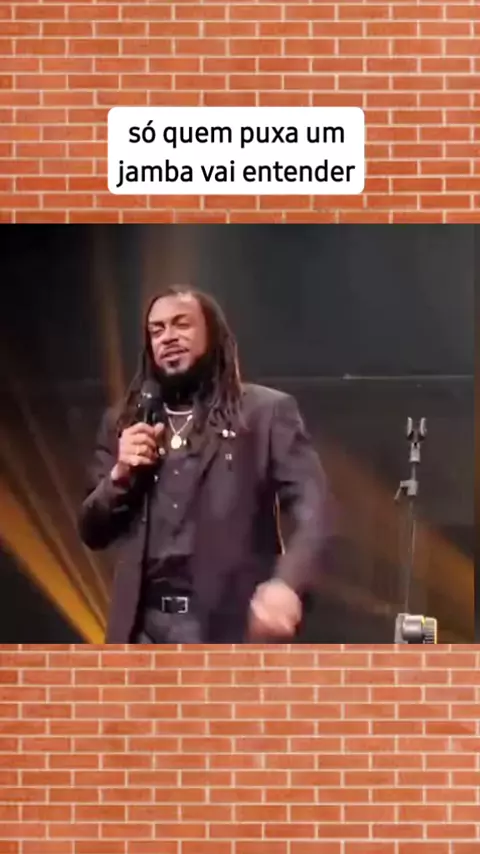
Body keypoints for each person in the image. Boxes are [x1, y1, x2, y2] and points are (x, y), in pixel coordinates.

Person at [78, 286, 327, 643]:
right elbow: (92, 531)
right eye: (157, 330)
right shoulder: (125, 422)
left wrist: (287, 584)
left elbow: (316, 511)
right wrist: (119, 476)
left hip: (228, 629)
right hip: (141, 631)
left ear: (213, 335)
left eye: (182, 324)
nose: (168, 337)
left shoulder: (263, 413)